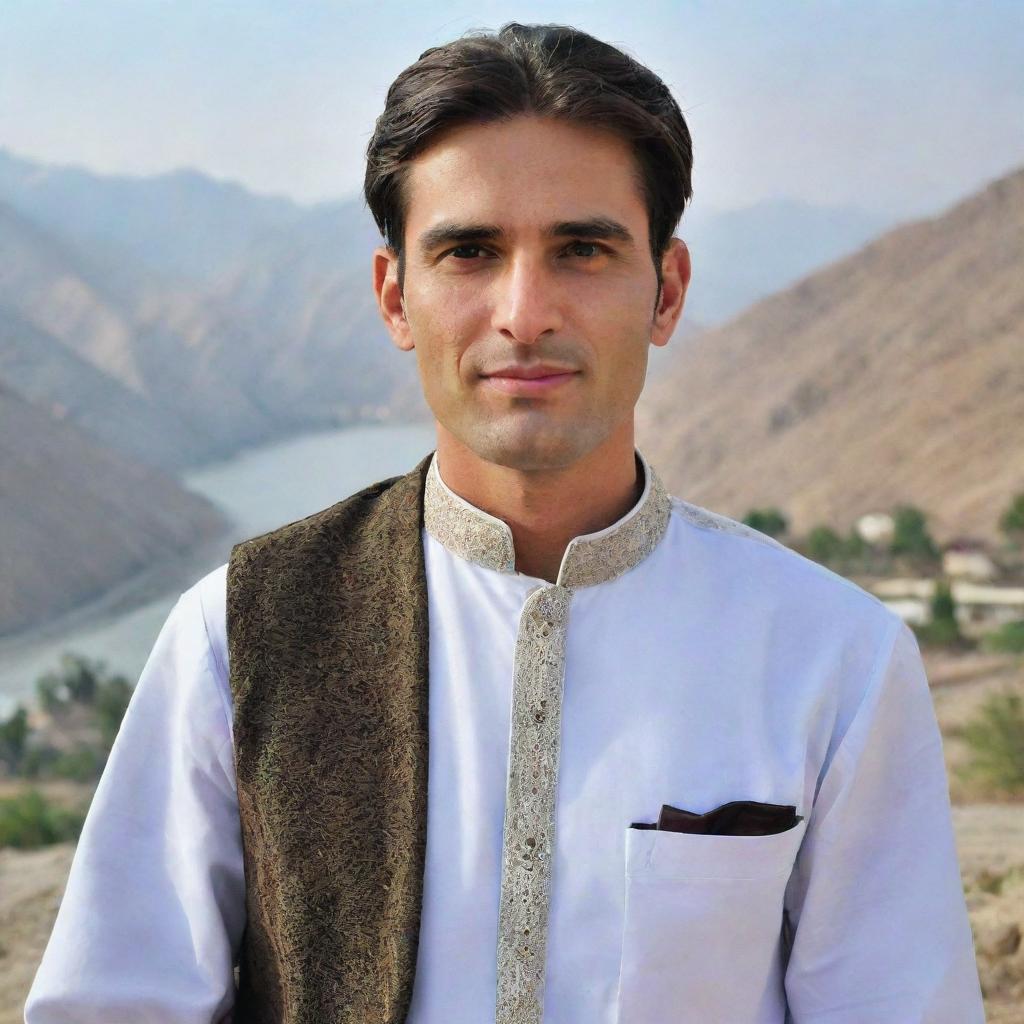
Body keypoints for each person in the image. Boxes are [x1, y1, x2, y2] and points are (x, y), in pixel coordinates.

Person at [25, 21, 984, 1024]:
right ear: (397, 297)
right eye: (470, 251)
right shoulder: (242, 632)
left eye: (581, 249)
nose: (524, 311)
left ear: (667, 290)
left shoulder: (832, 658)